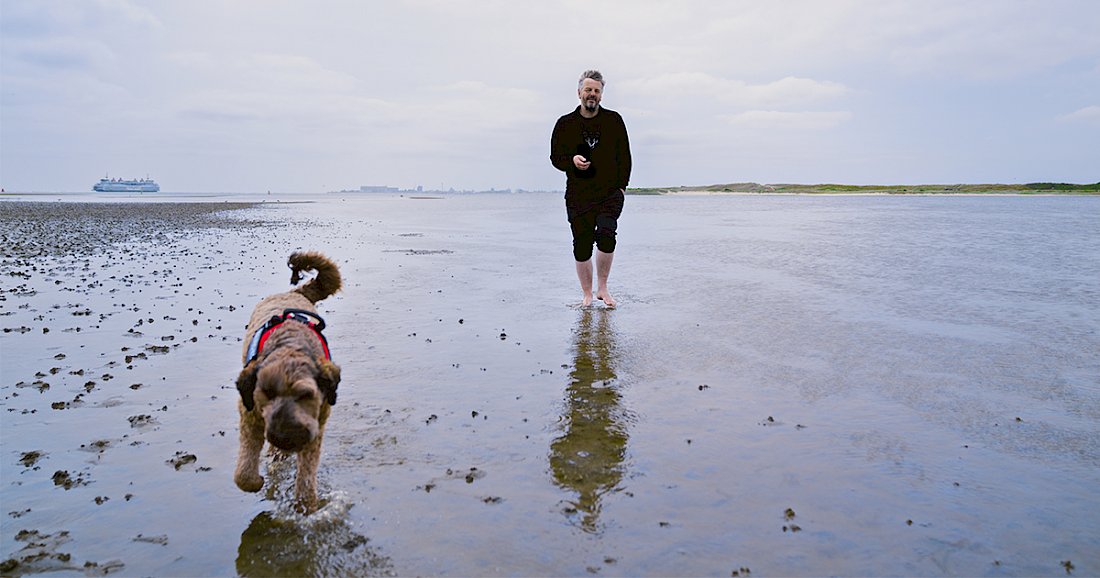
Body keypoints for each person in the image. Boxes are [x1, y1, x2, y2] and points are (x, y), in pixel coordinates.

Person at [550, 70, 632, 307]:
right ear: (579, 93)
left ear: (601, 95)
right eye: (588, 90)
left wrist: (621, 189)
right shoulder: (565, 124)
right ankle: (587, 293)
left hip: (609, 193)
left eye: (596, 91)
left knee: (607, 235)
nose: (592, 94)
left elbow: (625, 157)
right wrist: (571, 161)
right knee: (582, 243)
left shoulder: (614, 121)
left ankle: (602, 289)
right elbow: (555, 157)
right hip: (578, 195)